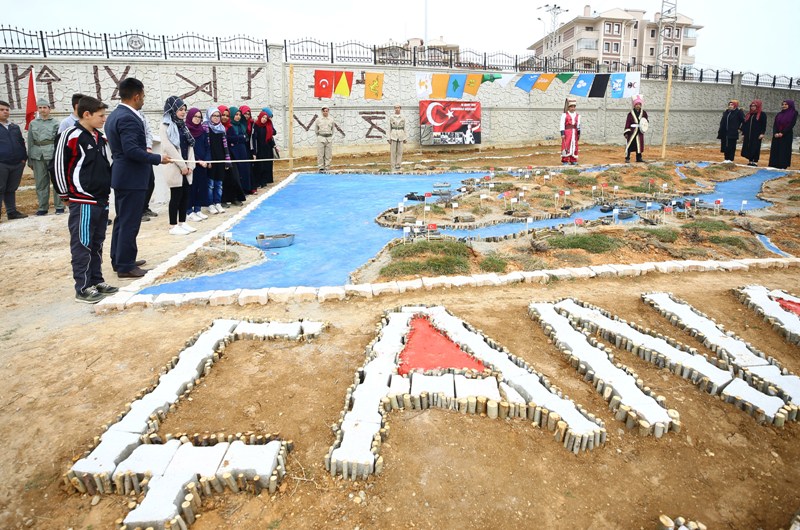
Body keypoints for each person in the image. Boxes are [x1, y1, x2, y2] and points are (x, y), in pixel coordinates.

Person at [52, 96, 118, 303]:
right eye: (101, 115)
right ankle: (82, 287)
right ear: (86, 114)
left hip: (101, 199)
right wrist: (64, 194)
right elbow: (57, 166)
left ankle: (96, 280)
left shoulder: (99, 137)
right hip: (82, 199)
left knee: (97, 242)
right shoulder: (70, 135)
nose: (104, 119)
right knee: (82, 243)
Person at [105, 78, 170, 279]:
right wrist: (158, 158)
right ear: (136, 96)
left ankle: (119, 259)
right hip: (131, 177)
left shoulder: (115, 114)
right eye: (143, 96)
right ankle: (125, 266)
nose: (143, 99)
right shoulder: (128, 118)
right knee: (130, 222)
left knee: (123, 220)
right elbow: (131, 150)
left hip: (124, 175)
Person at [160, 96, 197, 235]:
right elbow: (168, 147)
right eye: (180, 109)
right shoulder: (165, 125)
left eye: (184, 110)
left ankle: (182, 222)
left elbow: (190, 146)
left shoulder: (183, 126)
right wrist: (182, 166)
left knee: (186, 195)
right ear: (172, 109)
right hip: (175, 167)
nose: (183, 112)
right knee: (176, 196)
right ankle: (173, 225)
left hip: (187, 167)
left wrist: (190, 165)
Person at [27, 97, 63, 215]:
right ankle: (43, 207)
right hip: (38, 155)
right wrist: (30, 159)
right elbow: (30, 141)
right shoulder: (33, 123)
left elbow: (59, 141)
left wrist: (59, 156)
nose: (42, 110)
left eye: (44, 107)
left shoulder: (56, 123)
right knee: (41, 182)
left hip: (52, 154)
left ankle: (59, 206)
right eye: (40, 108)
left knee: (56, 180)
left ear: (49, 109)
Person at [0, 100, 28, 220]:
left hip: (17, 164)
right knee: (0, 188)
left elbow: (21, 142)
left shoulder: (14, 127)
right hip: (2, 163)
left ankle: (12, 212)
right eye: (2, 110)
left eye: (7, 110)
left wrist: (23, 159)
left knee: (11, 189)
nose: (5, 112)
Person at [203, 106, 231, 214]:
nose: (216, 118)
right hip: (211, 159)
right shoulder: (205, 127)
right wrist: (208, 160)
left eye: (218, 116)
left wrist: (227, 160)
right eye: (213, 116)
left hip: (220, 159)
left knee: (219, 183)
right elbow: (205, 146)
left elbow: (225, 146)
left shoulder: (222, 128)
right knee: (210, 184)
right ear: (209, 116)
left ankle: (217, 202)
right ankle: (210, 204)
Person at [185, 107, 209, 222]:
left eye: (199, 117)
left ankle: (198, 209)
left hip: (203, 164)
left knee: (201, 186)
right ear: (190, 116)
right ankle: (189, 210)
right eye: (195, 116)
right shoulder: (186, 131)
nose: (197, 119)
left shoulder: (202, 131)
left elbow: (207, 147)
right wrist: (198, 160)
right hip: (192, 163)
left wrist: (207, 160)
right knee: (191, 187)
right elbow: (188, 149)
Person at [227, 106, 252, 194]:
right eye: (236, 114)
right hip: (233, 151)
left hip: (242, 150)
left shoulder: (241, 125)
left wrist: (238, 138)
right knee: (236, 171)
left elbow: (246, 138)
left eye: (239, 115)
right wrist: (240, 138)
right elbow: (229, 139)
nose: (238, 117)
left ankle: (245, 189)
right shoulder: (229, 126)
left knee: (244, 169)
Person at [768, 100, 798, 170]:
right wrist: (775, 133)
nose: (783, 106)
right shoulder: (779, 114)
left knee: (784, 150)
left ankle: (782, 165)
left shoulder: (794, 113)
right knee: (775, 149)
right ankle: (774, 164)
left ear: (790, 105)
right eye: (783, 104)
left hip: (786, 135)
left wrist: (783, 133)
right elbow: (775, 124)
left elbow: (791, 124)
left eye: (785, 104)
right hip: (777, 135)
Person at [253, 109, 276, 187]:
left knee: (266, 165)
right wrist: (254, 151)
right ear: (260, 117)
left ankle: (264, 181)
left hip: (266, 148)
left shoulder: (267, 126)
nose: (264, 119)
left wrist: (274, 145)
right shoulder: (256, 125)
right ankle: (258, 181)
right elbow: (254, 139)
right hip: (259, 149)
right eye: (263, 117)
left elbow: (270, 137)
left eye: (266, 118)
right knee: (259, 166)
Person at [740, 100, 767, 167]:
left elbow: (763, 125)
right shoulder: (749, 114)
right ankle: (750, 160)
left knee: (756, 147)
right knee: (749, 146)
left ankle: (755, 161)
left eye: (754, 106)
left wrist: (762, 133)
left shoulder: (762, 114)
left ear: (758, 106)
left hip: (756, 134)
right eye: (751, 106)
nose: (752, 107)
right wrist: (743, 134)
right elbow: (745, 124)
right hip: (748, 134)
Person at [624, 95, 648, 163]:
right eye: (636, 104)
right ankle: (627, 158)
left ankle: (639, 158)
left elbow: (646, 121)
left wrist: (644, 126)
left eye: (639, 104)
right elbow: (628, 122)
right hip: (632, 132)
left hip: (640, 132)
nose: (638, 106)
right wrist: (626, 132)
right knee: (630, 144)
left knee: (639, 145)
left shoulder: (644, 113)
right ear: (634, 105)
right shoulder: (630, 114)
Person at [560, 97, 581, 165]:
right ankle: (565, 160)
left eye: (574, 107)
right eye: (571, 107)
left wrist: (578, 133)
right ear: (568, 107)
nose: (573, 108)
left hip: (574, 132)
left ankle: (573, 159)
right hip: (567, 132)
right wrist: (562, 133)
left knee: (574, 145)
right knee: (566, 145)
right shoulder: (564, 115)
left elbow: (578, 125)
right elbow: (562, 124)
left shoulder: (578, 115)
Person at [315, 106, 335, 172]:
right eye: (324, 111)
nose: (325, 112)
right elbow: (316, 130)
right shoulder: (318, 120)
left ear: (328, 111)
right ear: (322, 111)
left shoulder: (331, 120)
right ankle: (321, 167)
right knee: (320, 154)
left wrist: (331, 137)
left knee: (328, 154)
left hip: (329, 138)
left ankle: (327, 167)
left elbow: (333, 129)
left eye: (326, 111)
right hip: (321, 137)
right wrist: (319, 136)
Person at [388, 104, 407, 171]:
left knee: (400, 152)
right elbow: (389, 127)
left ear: (400, 108)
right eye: (395, 108)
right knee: (393, 152)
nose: (397, 109)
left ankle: (398, 165)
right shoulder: (391, 117)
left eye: (398, 108)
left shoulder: (403, 117)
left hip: (401, 135)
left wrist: (405, 137)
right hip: (393, 135)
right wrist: (389, 138)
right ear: (394, 109)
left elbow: (405, 127)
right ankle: (393, 166)